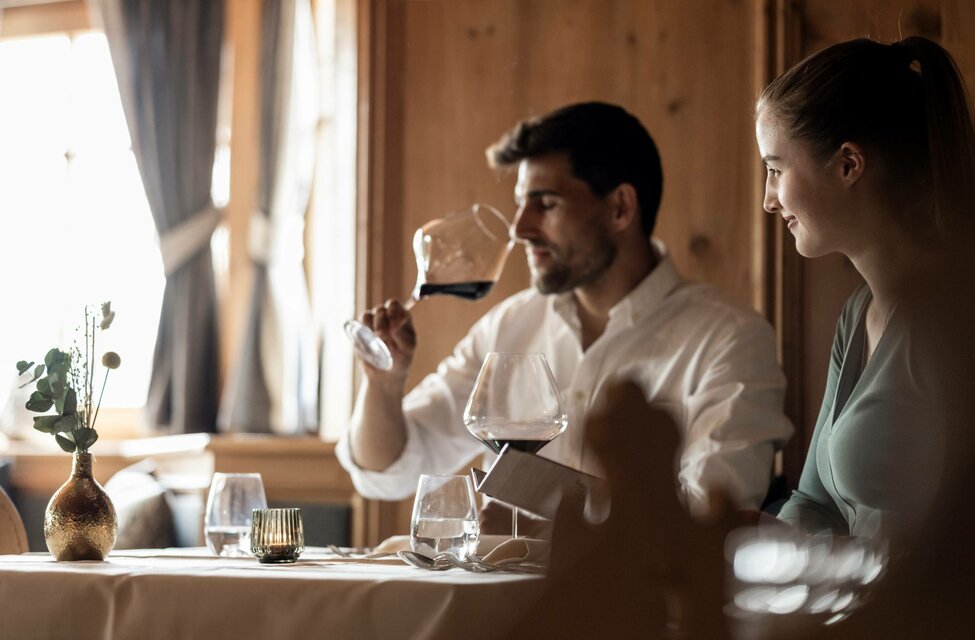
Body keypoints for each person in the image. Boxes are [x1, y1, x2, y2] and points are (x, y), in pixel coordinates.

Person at [337, 101, 793, 524]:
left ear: (620, 208)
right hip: (500, 608)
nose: (519, 229)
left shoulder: (728, 338)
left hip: (642, 611)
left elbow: (708, 523)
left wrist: (536, 493)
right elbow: (387, 470)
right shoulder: (508, 326)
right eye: (521, 204)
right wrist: (384, 385)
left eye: (546, 204)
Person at [756, 36, 975, 541]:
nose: (769, 200)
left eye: (775, 169)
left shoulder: (948, 323)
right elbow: (813, 502)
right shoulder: (859, 313)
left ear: (849, 165)